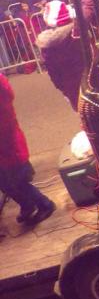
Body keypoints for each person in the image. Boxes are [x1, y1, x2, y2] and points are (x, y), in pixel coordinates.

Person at [0, 72, 54, 225]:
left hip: (9, 146)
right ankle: (27, 205)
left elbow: (5, 121)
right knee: (4, 182)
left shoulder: (2, 90)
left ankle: (45, 204)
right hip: (4, 149)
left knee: (18, 181)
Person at [36, 0, 84, 110]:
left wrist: (63, 89)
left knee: (83, 114)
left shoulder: (47, 46)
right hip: (91, 79)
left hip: (70, 86)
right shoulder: (77, 33)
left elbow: (54, 74)